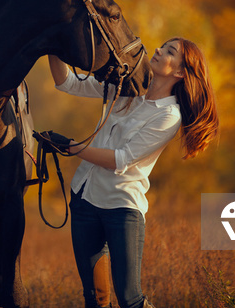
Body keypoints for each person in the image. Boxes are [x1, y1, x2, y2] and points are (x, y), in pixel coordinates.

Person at [47, 37, 219, 308]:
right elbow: (66, 83)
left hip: (122, 208)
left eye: (170, 51)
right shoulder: (126, 86)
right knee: (95, 298)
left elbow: (120, 159)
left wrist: (69, 146)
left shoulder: (169, 116)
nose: (159, 49)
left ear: (180, 72)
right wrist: (52, 44)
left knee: (130, 299)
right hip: (84, 198)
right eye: (163, 45)